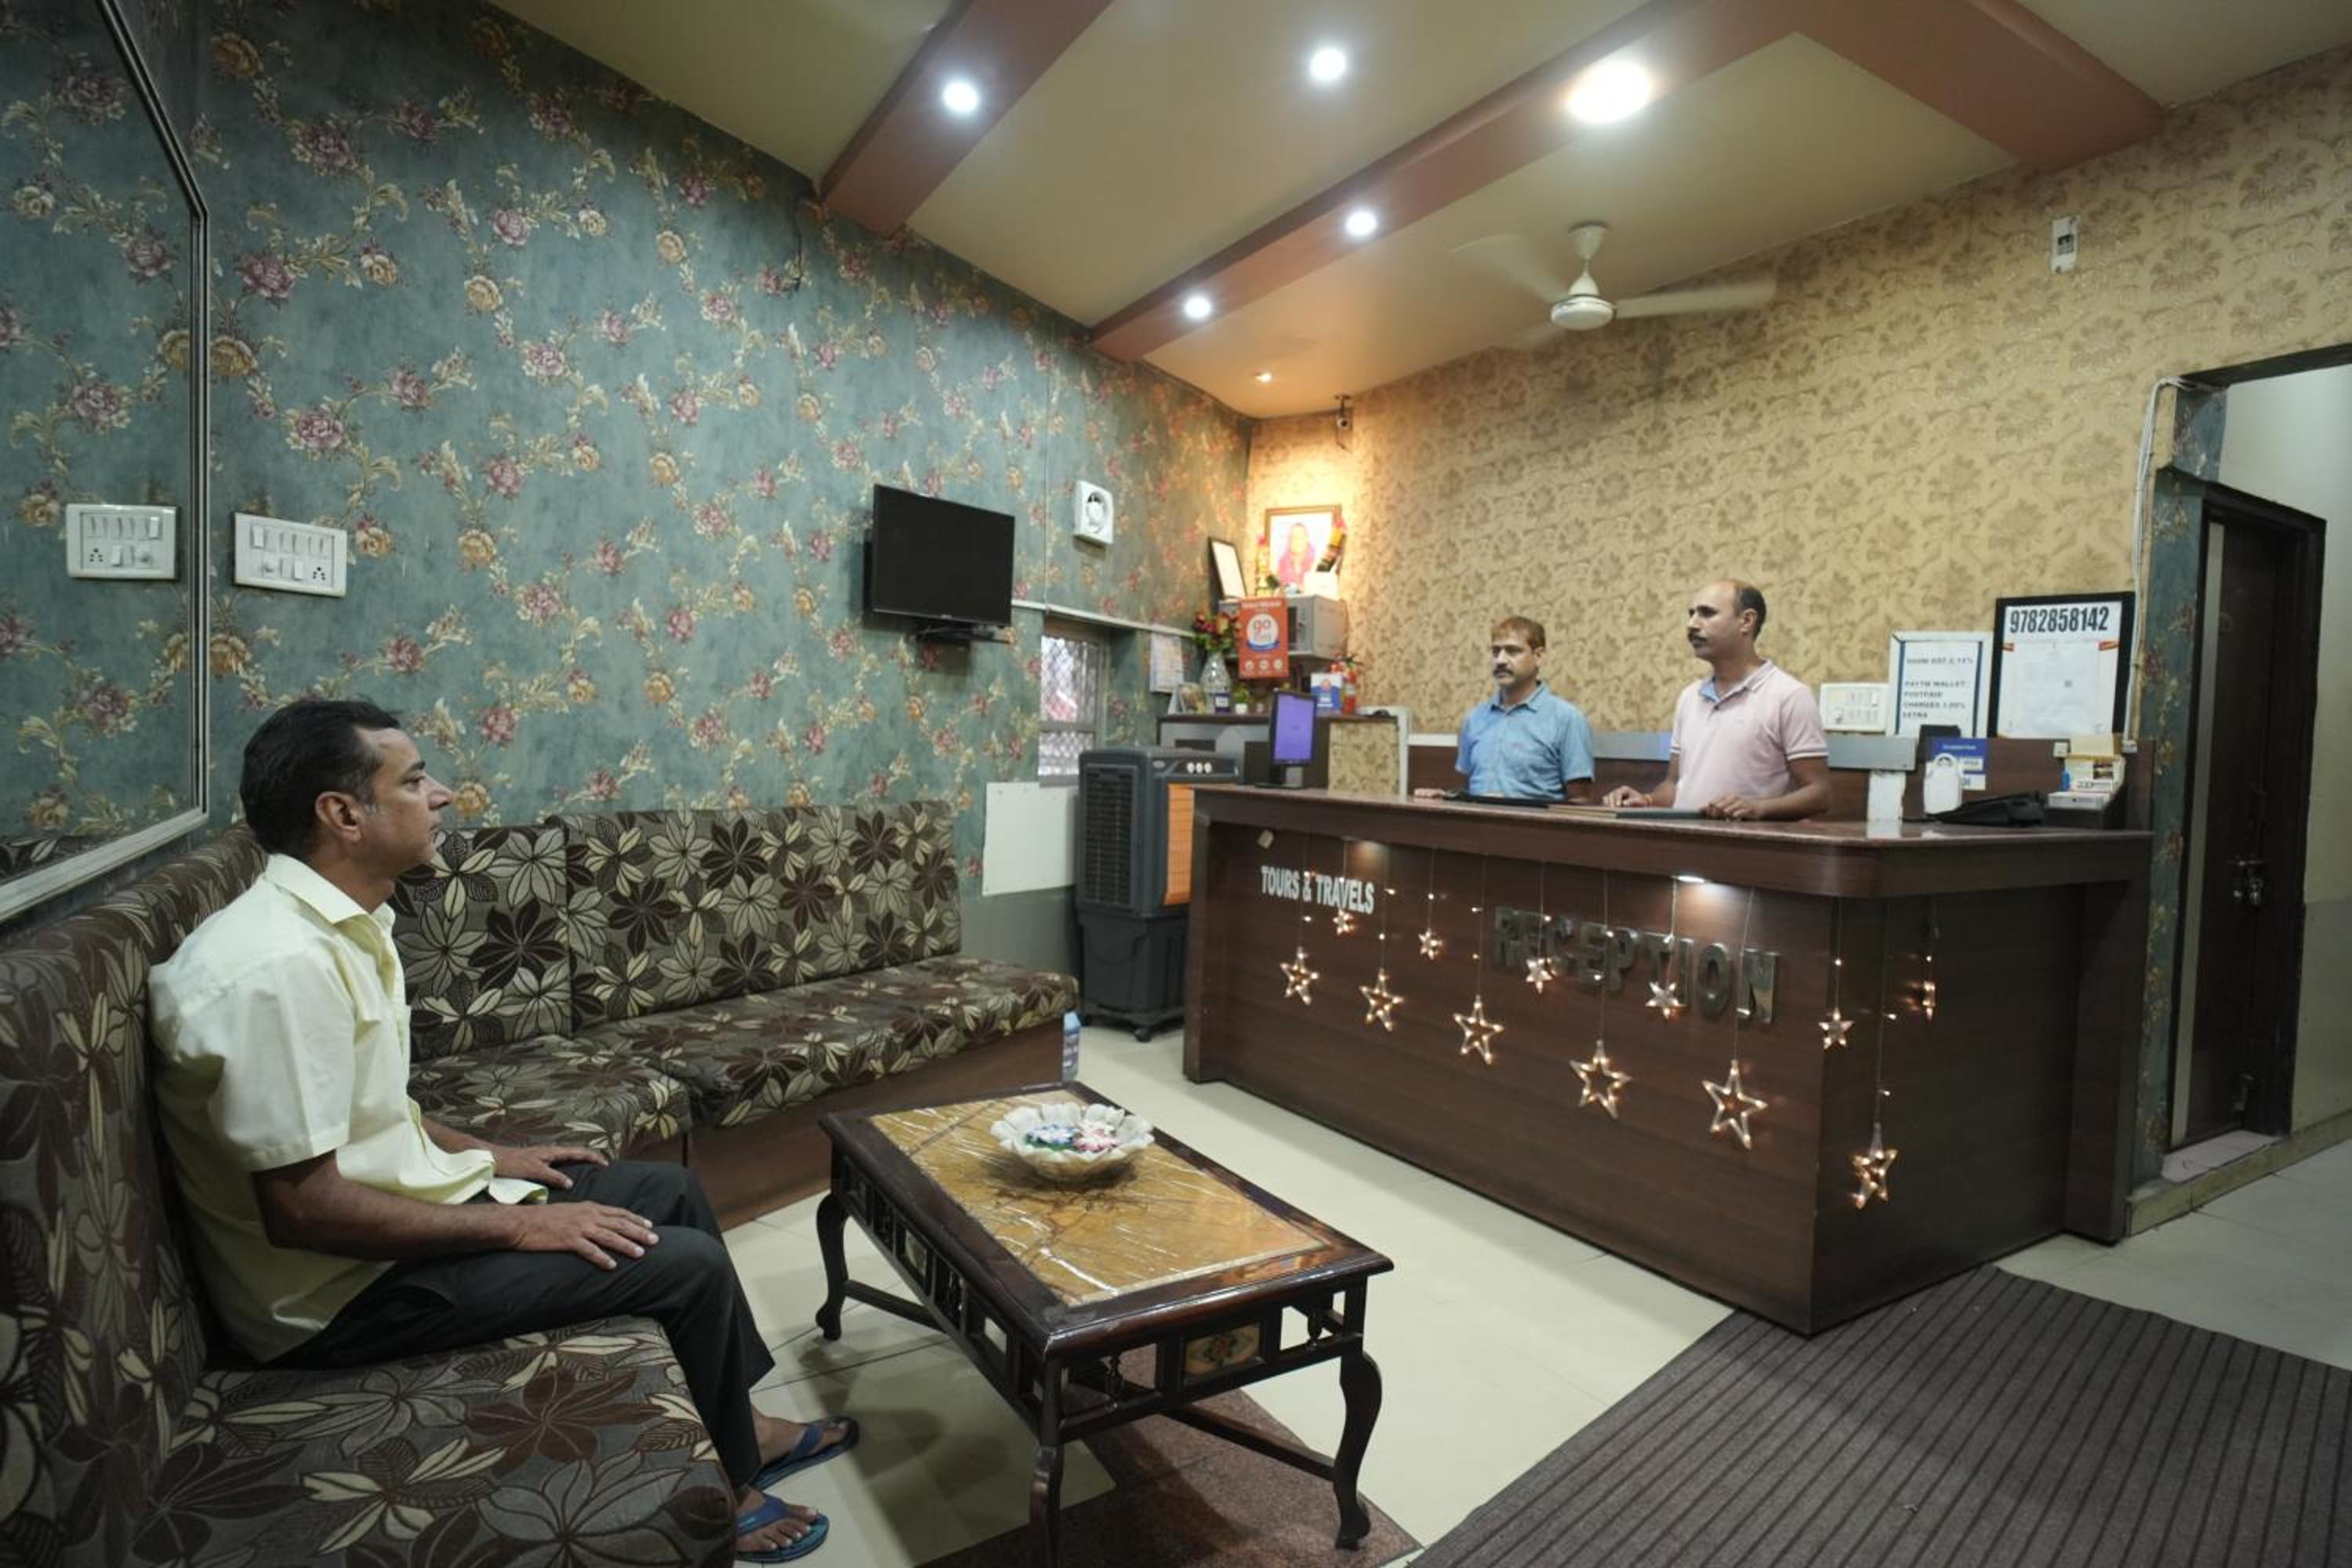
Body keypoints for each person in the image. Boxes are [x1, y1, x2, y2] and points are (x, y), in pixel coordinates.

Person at [150, 699, 853, 1563]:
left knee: (668, 1188)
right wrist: (521, 1224)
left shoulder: (346, 919)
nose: (442, 794)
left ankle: (739, 1424)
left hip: (387, 1226)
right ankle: (731, 1491)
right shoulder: (274, 969)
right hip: (337, 1297)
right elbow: (305, 1209)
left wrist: (493, 1156)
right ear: (343, 814)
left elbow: (370, 1111)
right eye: (413, 780)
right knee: (688, 1266)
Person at [1604, 580, 1831, 821]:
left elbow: (1819, 794)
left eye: (1707, 613)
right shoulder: (1689, 697)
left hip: (1746, 843)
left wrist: (1758, 808)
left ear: (1746, 621)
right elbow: (1674, 785)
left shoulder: (1789, 696)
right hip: (1684, 840)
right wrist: (1647, 800)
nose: (1692, 624)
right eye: (1691, 614)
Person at [1426, 615, 1596, 802]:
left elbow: (1580, 800)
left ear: (1538, 656)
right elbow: (1465, 789)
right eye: (1495, 652)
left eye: (1513, 651)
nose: (1500, 660)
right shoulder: (1474, 718)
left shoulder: (1566, 719)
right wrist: (1443, 797)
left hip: (1534, 821)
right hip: (1476, 820)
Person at [1272, 519, 1319, 590]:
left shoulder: (1317, 563)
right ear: (1289, 540)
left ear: (1307, 539)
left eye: (1300, 537)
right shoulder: (1280, 565)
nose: (1297, 541)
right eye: (1293, 538)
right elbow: (1274, 590)